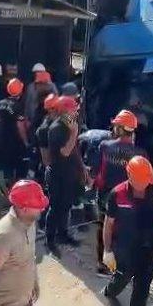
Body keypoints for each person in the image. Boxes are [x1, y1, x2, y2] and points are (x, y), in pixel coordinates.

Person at [102, 156, 153, 306]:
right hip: (125, 247)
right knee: (122, 278)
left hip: (148, 247)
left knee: (143, 285)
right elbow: (108, 223)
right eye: (140, 181)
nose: (144, 185)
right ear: (129, 176)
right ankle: (110, 291)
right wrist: (107, 250)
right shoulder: (117, 194)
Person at [93, 110, 146, 275]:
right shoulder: (140, 154)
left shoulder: (105, 146)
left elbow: (97, 170)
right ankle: (120, 265)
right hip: (127, 199)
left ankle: (103, 264)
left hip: (105, 195)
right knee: (123, 230)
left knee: (103, 226)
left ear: (120, 129)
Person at [44, 95, 83, 256]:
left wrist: (83, 169)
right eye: (73, 109)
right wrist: (74, 133)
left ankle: (63, 234)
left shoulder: (70, 125)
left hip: (69, 174)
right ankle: (50, 240)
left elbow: (74, 151)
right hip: (57, 175)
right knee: (55, 208)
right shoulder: (57, 129)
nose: (76, 112)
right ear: (65, 111)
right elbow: (65, 152)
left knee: (66, 206)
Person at [0, 79, 28, 184]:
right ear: (20, 91)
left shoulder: (1, 102)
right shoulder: (18, 106)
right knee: (16, 167)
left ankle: (5, 190)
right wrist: (25, 141)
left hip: (2, 138)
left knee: (5, 167)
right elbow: (20, 125)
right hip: (15, 141)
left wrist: (2, 121)